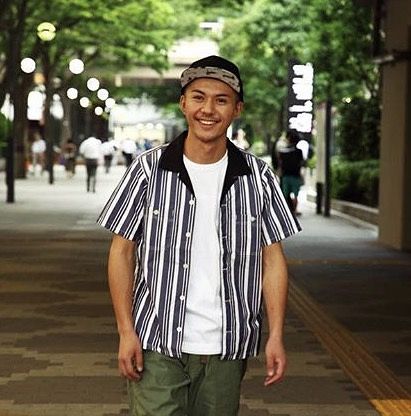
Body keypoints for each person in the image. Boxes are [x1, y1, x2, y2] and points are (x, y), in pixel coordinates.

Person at [97, 55, 301, 416]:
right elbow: (121, 252)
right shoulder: (148, 170)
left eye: (221, 100)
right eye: (198, 97)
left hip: (227, 346)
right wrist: (126, 331)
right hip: (156, 341)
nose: (208, 109)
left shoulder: (258, 177)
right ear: (183, 104)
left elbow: (272, 260)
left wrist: (276, 335)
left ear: (236, 109)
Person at [277, 130, 304, 216]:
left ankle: (286, 211)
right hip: (295, 175)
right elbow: (301, 163)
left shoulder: (282, 151)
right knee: (296, 195)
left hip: (285, 175)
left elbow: (280, 163)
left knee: (285, 194)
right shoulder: (299, 151)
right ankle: (294, 210)